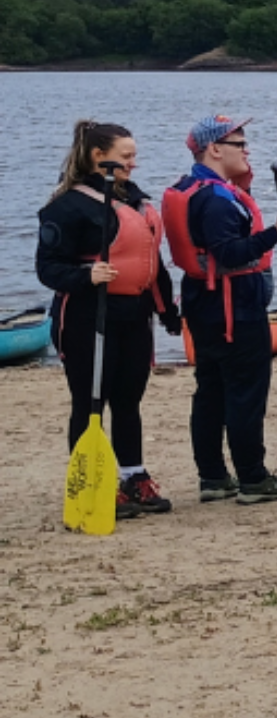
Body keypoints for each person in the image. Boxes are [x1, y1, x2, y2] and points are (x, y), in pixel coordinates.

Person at [37, 120, 180, 518]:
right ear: (99, 157)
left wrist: (168, 312)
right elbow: (47, 268)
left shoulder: (135, 201)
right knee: (90, 401)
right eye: (126, 156)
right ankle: (92, 481)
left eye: (134, 155)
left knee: (128, 400)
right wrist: (85, 275)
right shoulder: (66, 207)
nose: (134, 163)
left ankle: (134, 477)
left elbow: (154, 265)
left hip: (134, 315)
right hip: (86, 316)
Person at [162, 115, 277, 504]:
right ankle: (253, 479)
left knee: (211, 391)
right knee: (244, 393)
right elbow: (228, 255)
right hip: (232, 309)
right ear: (215, 149)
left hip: (206, 306)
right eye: (239, 143)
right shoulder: (215, 199)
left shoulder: (195, 188)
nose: (247, 149)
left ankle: (213, 477)